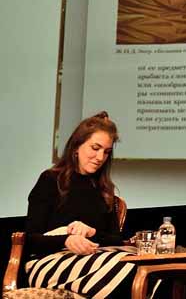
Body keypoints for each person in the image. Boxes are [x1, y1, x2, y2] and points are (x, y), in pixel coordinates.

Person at [23, 112, 134, 299]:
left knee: (146, 269)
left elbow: (116, 240)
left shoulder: (103, 189)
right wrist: (66, 240)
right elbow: (30, 239)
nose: (100, 157)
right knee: (128, 270)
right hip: (49, 261)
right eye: (95, 148)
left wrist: (92, 232)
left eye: (106, 152)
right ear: (76, 146)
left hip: (96, 259)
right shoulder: (51, 180)